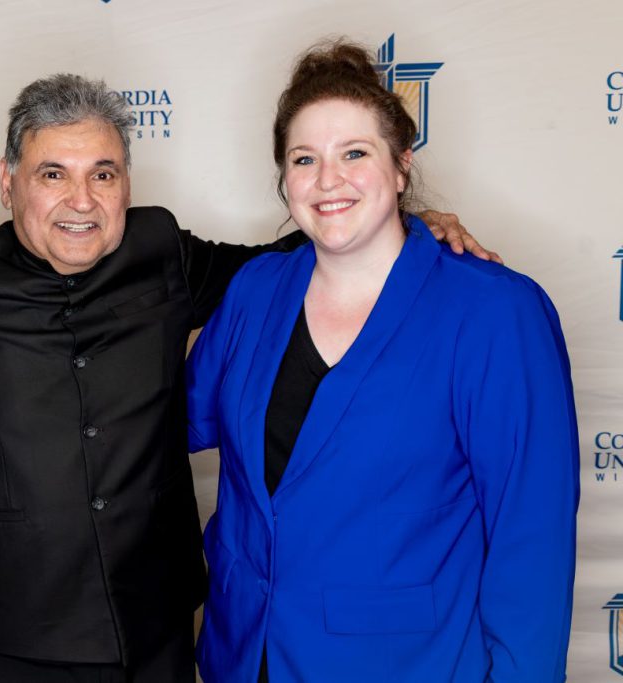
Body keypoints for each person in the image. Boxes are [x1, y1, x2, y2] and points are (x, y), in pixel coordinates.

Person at [0, 73, 493, 682]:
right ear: (8, 182)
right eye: (53, 174)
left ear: (126, 183)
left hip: (156, 621)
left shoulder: (159, 250)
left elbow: (287, 262)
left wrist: (400, 217)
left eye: (103, 174)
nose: (82, 200)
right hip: (10, 629)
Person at [186, 41, 579, 682]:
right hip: (244, 652)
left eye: (355, 154)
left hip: (399, 662)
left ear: (401, 168)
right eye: (304, 158)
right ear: (284, 177)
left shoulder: (495, 313)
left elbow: (529, 538)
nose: (327, 179)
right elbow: (170, 417)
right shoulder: (256, 290)